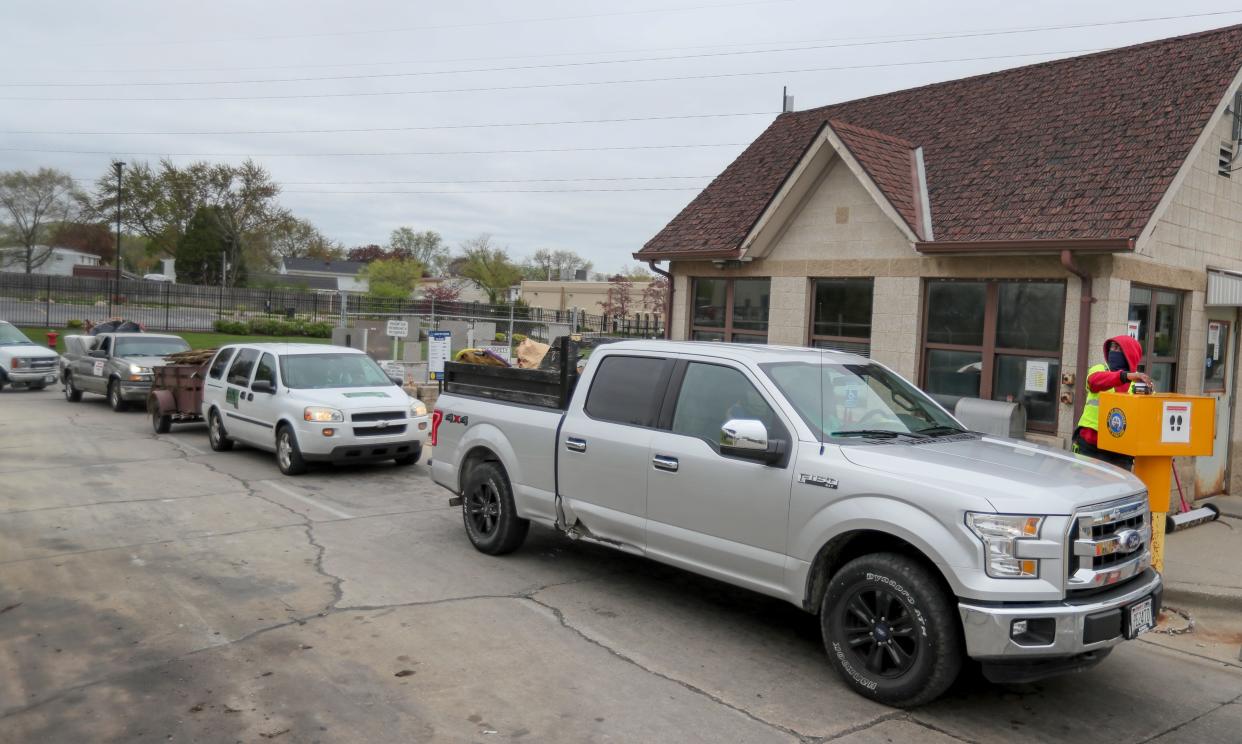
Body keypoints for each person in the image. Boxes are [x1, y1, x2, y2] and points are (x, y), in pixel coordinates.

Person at [1073, 335, 1152, 468]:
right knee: (1086, 486)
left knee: (1119, 489)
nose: (1113, 352)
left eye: (1118, 349)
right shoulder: (1100, 369)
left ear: (1129, 354)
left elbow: (1150, 416)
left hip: (1121, 451)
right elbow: (1094, 381)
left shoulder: (1139, 382)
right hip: (1091, 445)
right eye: (1112, 348)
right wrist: (1126, 376)